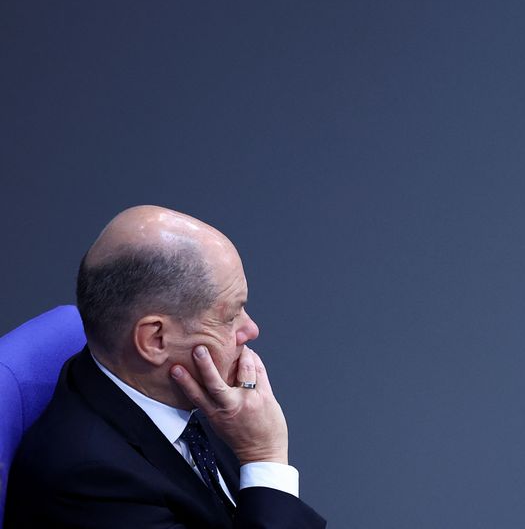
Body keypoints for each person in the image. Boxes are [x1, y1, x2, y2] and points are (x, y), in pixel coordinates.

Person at [4, 205, 326, 528]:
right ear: (155, 339)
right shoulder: (87, 484)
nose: (251, 329)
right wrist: (264, 454)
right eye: (230, 316)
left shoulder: (182, 392)